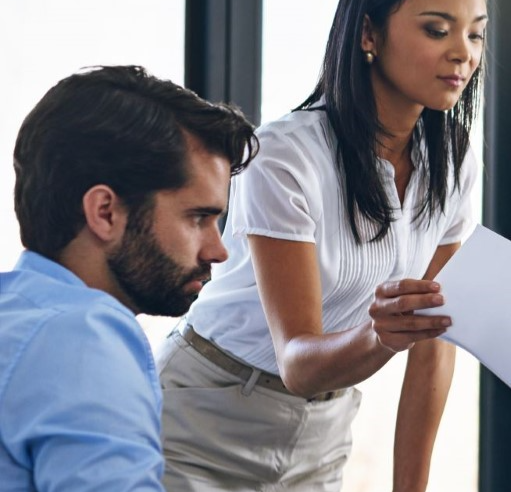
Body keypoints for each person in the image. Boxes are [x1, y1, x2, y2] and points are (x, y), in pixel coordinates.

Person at [156, 0, 485, 489]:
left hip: (324, 431)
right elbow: (298, 363)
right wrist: (380, 335)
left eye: (476, 35)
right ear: (368, 35)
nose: (463, 53)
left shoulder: (453, 161)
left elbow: (433, 343)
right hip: (205, 417)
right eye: (437, 30)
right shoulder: (284, 156)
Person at [1, 65, 255, 491]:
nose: (218, 250)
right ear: (105, 212)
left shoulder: (15, 315)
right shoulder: (84, 340)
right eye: (198, 218)